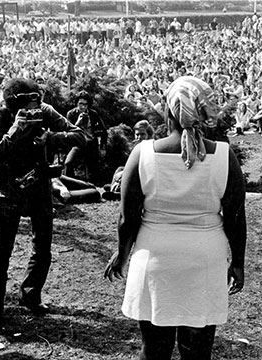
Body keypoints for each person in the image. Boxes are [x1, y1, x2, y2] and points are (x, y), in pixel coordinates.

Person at [104, 76, 246, 360]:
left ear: (168, 111)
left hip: (155, 258)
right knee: (197, 352)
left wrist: (121, 255)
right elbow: (234, 217)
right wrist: (238, 264)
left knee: (154, 350)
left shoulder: (142, 154)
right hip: (205, 261)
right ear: (202, 114)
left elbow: (127, 218)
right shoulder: (224, 156)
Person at [0, 78, 86, 333]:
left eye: (36, 101)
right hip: (11, 190)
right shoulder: (1, 118)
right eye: (28, 104)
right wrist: (14, 132)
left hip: (39, 185)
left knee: (43, 245)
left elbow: (80, 136)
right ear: (14, 104)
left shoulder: (45, 112)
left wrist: (51, 138)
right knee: (2, 250)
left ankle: (31, 294)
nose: (33, 109)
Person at [64, 90, 108, 181]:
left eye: (85, 104)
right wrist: (77, 123)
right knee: (68, 163)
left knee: (93, 168)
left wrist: (103, 147)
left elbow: (103, 130)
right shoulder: (71, 114)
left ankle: (92, 186)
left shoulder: (93, 114)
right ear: (76, 103)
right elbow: (67, 131)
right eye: (80, 104)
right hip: (76, 144)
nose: (83, 107)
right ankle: (69, 182)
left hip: (90, 144)